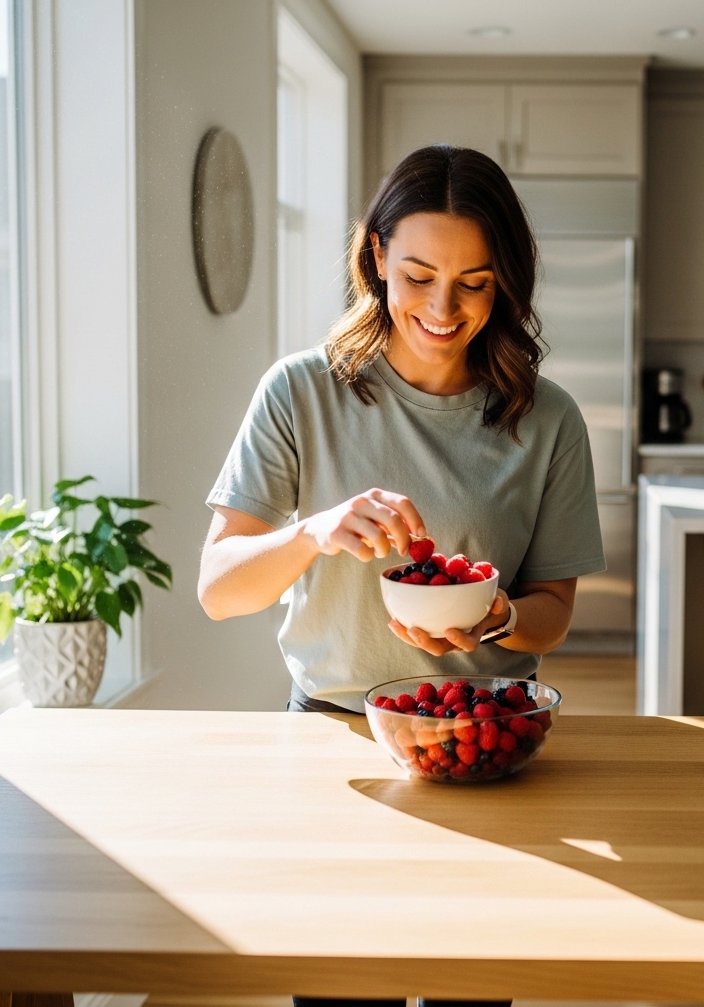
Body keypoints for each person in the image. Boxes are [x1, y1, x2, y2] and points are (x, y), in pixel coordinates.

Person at [198, 145, 606, 1007]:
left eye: (475, 282)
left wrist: (495, 619)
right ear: (376, 256)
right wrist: (312, 531)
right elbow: (220, 587)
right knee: (343, 992)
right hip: (335, 742)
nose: (442, 308)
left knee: (471, 993)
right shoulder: (299, 392)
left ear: (505, 285)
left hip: (486, 745)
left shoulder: (549, 419)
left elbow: (553, 613)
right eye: (417, 274)